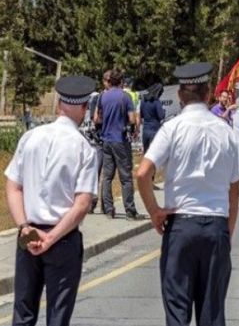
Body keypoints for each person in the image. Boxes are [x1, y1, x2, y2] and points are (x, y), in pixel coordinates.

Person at [136, 62, 239, 326]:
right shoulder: (226, 132)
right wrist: (226, 233)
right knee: (212, 313)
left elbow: (143, 172)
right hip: (215, 224)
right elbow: (233, 189)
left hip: (181, 225)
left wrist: (155, 212)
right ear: (208, 94)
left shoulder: (173, 128)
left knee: (177, 312)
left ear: (180, 96)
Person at [5, 76, 98, 326]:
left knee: (23, 312)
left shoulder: (30, 137)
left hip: (28, 232)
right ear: (84, 108)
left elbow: (13, 186)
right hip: (62, 238)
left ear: (58, 104)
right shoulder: (84, 148)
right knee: (57, 315)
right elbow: (82, 204)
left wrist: (24, 226)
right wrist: (52, 237)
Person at [95, 69, 141, 220]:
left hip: (106, 140)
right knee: (125, 176)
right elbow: (132, 119)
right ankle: (130, 210)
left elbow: (97, 119)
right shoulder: (125, 96)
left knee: (107, 176)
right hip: (120, 139)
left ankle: (108, 209)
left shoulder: (103, 96)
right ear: (121, 82)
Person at [141, 83, 166, 191]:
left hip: (145, 130)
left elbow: (141, 114)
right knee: (154, 158)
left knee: (146, 157)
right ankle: (150, 181)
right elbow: (161, 115)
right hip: (154, 131)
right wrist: (163, 111)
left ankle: (146, 182)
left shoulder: (144, 101)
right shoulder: (156, 102)